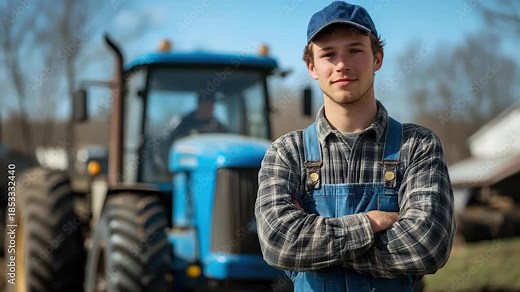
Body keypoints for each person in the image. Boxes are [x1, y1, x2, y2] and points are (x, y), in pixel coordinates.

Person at [254, 2, 455, 291]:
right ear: (312, 66)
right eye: (328, 54)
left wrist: (313, 249)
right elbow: (278, 244)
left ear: (377, 58)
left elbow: (427, 245)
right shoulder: (287, 153)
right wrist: (370, 224)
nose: (341, 65)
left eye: (355, 50)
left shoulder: (417, 146)